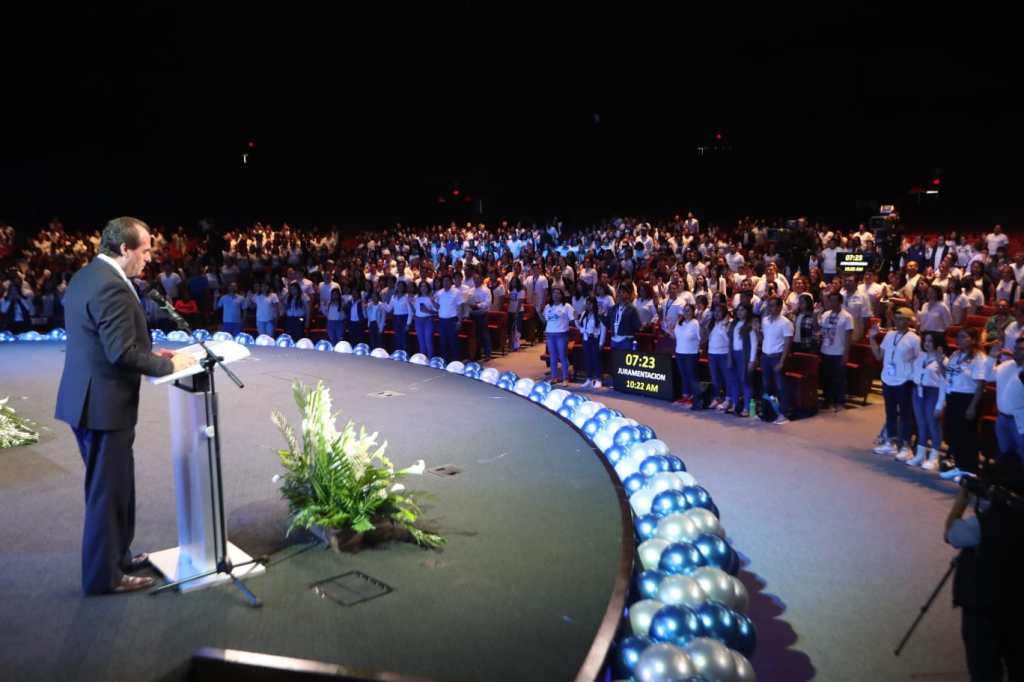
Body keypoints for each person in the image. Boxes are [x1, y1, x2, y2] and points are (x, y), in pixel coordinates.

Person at [54, 217, 196, 594]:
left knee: (116, 487)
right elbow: (119, 353)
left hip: (89, 401)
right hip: (101, 406)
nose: (149, 258)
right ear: (124, 250)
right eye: (145, 250)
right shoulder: (112, 287)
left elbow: (104, 339)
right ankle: (104, 578)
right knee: (107, 491)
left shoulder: (88, 276)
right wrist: (169, 364)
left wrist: (149, 352)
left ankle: (118, 555)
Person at [937, 327, 988, 481]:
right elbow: (948, 374)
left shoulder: (979, 358)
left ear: (973, 340)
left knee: (967, 435)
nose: (959, 340)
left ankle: (970, 469)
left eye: (964, 337)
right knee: (954, 433)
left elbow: (981, 385)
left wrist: (972, 407)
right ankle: (960, 466)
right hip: (953, 396)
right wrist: (940, 363)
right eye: (958, 337)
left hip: (968, 399)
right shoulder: (955, 354)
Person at [870, 307, 921, 459]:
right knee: (890, 413)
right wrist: (872, 338)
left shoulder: (914, 339)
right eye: (896, 318)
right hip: (887, 379)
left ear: (908, 320)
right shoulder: (890, 335)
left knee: (905, 415)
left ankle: (906, 446)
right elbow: (879, 356)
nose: (897, 321)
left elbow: (919, 361)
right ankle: (890, 442)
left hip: (904, 381)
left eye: (901, 319)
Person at [908, 331, 947, 470]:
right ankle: (920, 455)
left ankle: (934, 457)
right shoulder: (921, 356)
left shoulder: (942, 360)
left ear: (937, 343)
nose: (927, 343)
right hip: (918, 391)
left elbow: (944, 383)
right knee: (921, 424)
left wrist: (940, 404)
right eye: (925, 340)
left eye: (930, 341)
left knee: (933, 425)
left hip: (933, 393)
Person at [988, 335, 1024, 462]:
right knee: (1005, 453)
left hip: (1020, 421)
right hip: (1002, 418)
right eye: (1016, 348)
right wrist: (992, 357)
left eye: (1021, 349)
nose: (1016, 351)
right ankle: (1007, 480)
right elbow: (988, 377)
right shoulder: (1006, 365)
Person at [759, 296, 794, 424]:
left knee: (780, 387)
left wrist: (782, 361)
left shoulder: (786, 323)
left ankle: (783, 413)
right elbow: (762, 338)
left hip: (777, 356)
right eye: (769, 305)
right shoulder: (765, 320)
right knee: (766, 386)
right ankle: (769, 412)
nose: (770, 308)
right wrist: (756, 329)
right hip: (765, 356)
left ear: (779, 307)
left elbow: (787, 344)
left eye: (773, 305)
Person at [819, 290, 855, 413]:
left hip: (839, 352)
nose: (832, 303)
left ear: (840, 302)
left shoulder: (847, 317)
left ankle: (839, 402)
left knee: (839, 378)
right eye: (830, 300)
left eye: (834, 300)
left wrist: (846, 354)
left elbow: (848, 337)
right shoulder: (825, 315)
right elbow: (819, 329)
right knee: (826, 377)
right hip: (825, 350)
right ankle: (827, 400)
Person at [727, 302, 758, 417]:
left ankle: (746, 407)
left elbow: (754, 344)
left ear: (747, 312)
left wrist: (752, 360)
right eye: (738, 310)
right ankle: (735, 404)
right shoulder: (734, 324)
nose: (740, 312)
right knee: (734, 381)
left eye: (743, 310)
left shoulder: (750, 325)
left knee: (745, 382)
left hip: (744, 356)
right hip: (733, 354)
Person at [543, 287, 574, 384]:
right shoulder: (548, 306)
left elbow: (573, 318)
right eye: (554, 293)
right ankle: (554, 377)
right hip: (550, 334)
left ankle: (565, 378)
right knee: (553, 357)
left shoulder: (566, 306)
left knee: (562, 356)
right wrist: (538, 312)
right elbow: (545, 320)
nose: (556, 295)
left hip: (561, 334)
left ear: (562, 295)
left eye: (558, 293)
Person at [674, 303, 703, 409]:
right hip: (679, 352)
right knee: (683, 375)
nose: (686, 313)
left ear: (693, 312)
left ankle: (696, 399)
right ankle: (686, 395)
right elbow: (675, 335)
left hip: (691, 353)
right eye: (685, 310)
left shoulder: (695, 323)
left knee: (692, 376)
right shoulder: (679, 322)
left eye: (689, 310)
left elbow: (701, 338)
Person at [706, 303, 732, 411]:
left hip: (724, 354)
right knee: (715, 379)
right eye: (715, 311)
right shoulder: (711, 324)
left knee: (727, 379)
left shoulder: (729, 323)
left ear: (724, 312)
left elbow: (729, 340)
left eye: (719, 311)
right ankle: (717, 398)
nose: (716, 313)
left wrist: (724, 326)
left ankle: (728, 399)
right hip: (712, 354)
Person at [578, 295, 606, 389]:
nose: (588, 305)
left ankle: (598, 379)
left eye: (590, 304)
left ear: (594, 304)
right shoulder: (583, 314)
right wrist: (575, 321)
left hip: (595, 339)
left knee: (596, 360)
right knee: (588, 359)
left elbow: (603, 329)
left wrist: (601, 342)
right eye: (587, 303)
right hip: (586, 339)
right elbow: (581, 328)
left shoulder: (599, 314)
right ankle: (589, 379)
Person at [467, 272, 493, 360]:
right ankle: (476, 354)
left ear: (481, 279)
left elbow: (488, 302)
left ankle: (488, 354)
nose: (476, 281)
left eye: (477, 279)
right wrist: (471, 304)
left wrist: (478, 305)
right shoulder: (471, 290)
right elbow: (468, 301)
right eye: (474, 279)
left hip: (482, 314)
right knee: (475, 336)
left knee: (484, 334)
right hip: (472, 315)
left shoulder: (486, 290)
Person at [609, 285, 642, 350]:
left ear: (628, 295)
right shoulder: (613, 308)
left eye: (623, 292)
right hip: (614, 339)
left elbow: (637, 325)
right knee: (615, 360)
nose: (620, 294)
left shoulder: (632, 309)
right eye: (619, 292)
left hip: (626, 339)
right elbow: (607, 321)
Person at [413, 279, 437, 358]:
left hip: (428, 320)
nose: (423, 288)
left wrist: (427, 311)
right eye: (421, 286)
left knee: (428, 341)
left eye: (425, 286)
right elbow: (415, 309)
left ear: (428, 288)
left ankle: (430, 359)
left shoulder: (431, 297)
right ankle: (423, 360)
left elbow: (436, 312)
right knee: (421, 342)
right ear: (419, 288)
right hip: (418, 321)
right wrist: (414, 315)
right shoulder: (416, 297)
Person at [388, 280, 414, 352]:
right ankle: (398, 354)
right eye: (398, 286)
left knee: (404, 338)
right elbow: (389, 309)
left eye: (401, 286)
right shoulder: (393, 297)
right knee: (397, 337)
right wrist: (382, 303)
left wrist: (408, 324)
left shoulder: (407, 297)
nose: (400, 287)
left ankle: (405, 355)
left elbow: (410, 312)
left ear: (404, 287)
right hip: (396, 318)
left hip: (404, 319)